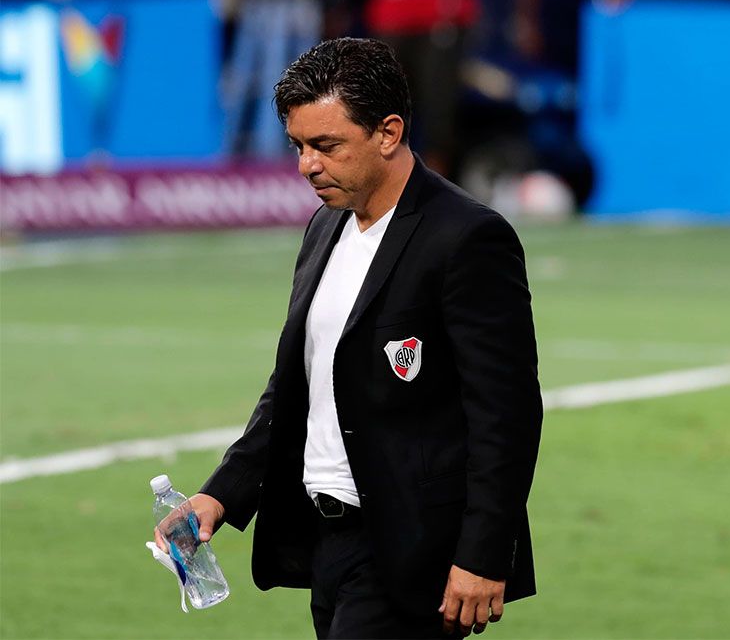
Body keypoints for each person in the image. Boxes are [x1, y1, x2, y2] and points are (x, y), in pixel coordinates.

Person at [154, 38, 542, 638]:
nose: (307, 165)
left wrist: (485, 555)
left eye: (326, 145)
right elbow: (295, 386)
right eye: (299, 146)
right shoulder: (325, 225)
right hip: (326, 543)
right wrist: (221, 495)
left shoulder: (466, 238)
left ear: (388, 133)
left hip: (413, 548)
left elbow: (506, 414)